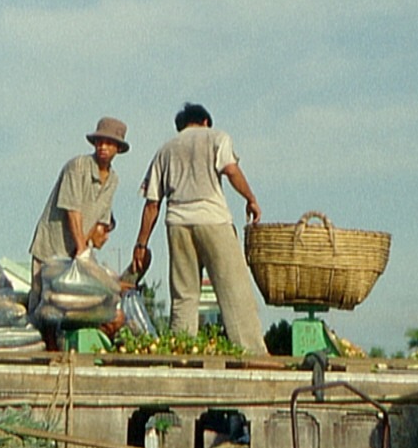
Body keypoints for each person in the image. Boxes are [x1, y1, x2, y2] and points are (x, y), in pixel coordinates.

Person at [131, 102, 265, 353]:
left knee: (184, 297)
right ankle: (252, 352)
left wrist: (141, 243)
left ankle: (181, 351)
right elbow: (231, 170)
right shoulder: (216, 137)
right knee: (234, 291)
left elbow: (152, 204)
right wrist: (251, 199)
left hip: (177, 223)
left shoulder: (165, 150)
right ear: (205, 122)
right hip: (212, 220)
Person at [29, 116, 130, 350]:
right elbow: (72, 212)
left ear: (117, 149)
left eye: (109, 143)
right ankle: (43, 357)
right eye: (100, 142)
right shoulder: (77, 167)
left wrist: (91, 261)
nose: (103, 147)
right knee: (45, 309)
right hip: (52, 250)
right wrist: (82, 250)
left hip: (77, 252)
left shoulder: (113, 180)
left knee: (77, 311)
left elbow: (100, 223)